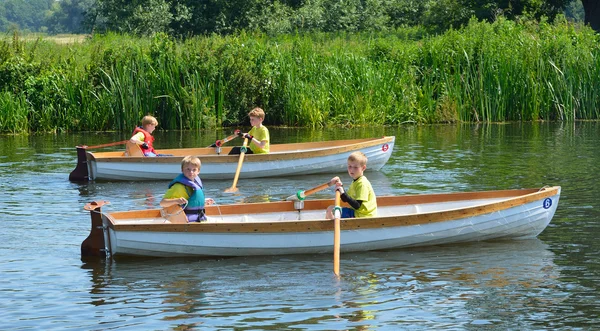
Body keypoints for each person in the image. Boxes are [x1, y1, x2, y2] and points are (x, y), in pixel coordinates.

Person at [160, 155, 215, 222]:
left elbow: (191, 202)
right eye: (188, 169)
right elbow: (162, 203)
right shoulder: (178, 187)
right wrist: (176, 200)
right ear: (182, 170)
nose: (191, 172)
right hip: (185, 222)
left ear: (198, 171)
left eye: (194, 170)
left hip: (199, 219)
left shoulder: (196, 184)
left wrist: (204, 202)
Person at [325, 151, 377, 219]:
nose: (352, 170)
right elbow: (345, 199)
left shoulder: (362, 184)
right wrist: (341, 187)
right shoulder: (356, 181)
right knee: (331, 208)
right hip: (358, 212)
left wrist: (343, 193)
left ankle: (329, 228)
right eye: (349, 166)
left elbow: (357, 205)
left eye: (355, 167)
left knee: (331, 210)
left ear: (363, 168)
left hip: (363, 215)